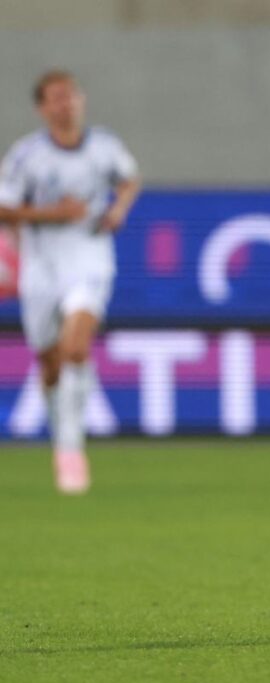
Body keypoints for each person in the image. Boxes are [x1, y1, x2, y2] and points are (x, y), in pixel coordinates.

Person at [0, 70, 141, 493]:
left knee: (76, 346)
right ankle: (60, 426)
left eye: (71, 96)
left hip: (90, 256)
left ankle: (70, 447)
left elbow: (129, 179)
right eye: (56, 98)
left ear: (81, 100)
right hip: (42, 265)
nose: (66, 104)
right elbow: (4, 210)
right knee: (49, 360)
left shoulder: (104, 146)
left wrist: (118, 211)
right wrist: (53, 214)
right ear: (42, 108)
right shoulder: (26, 157)